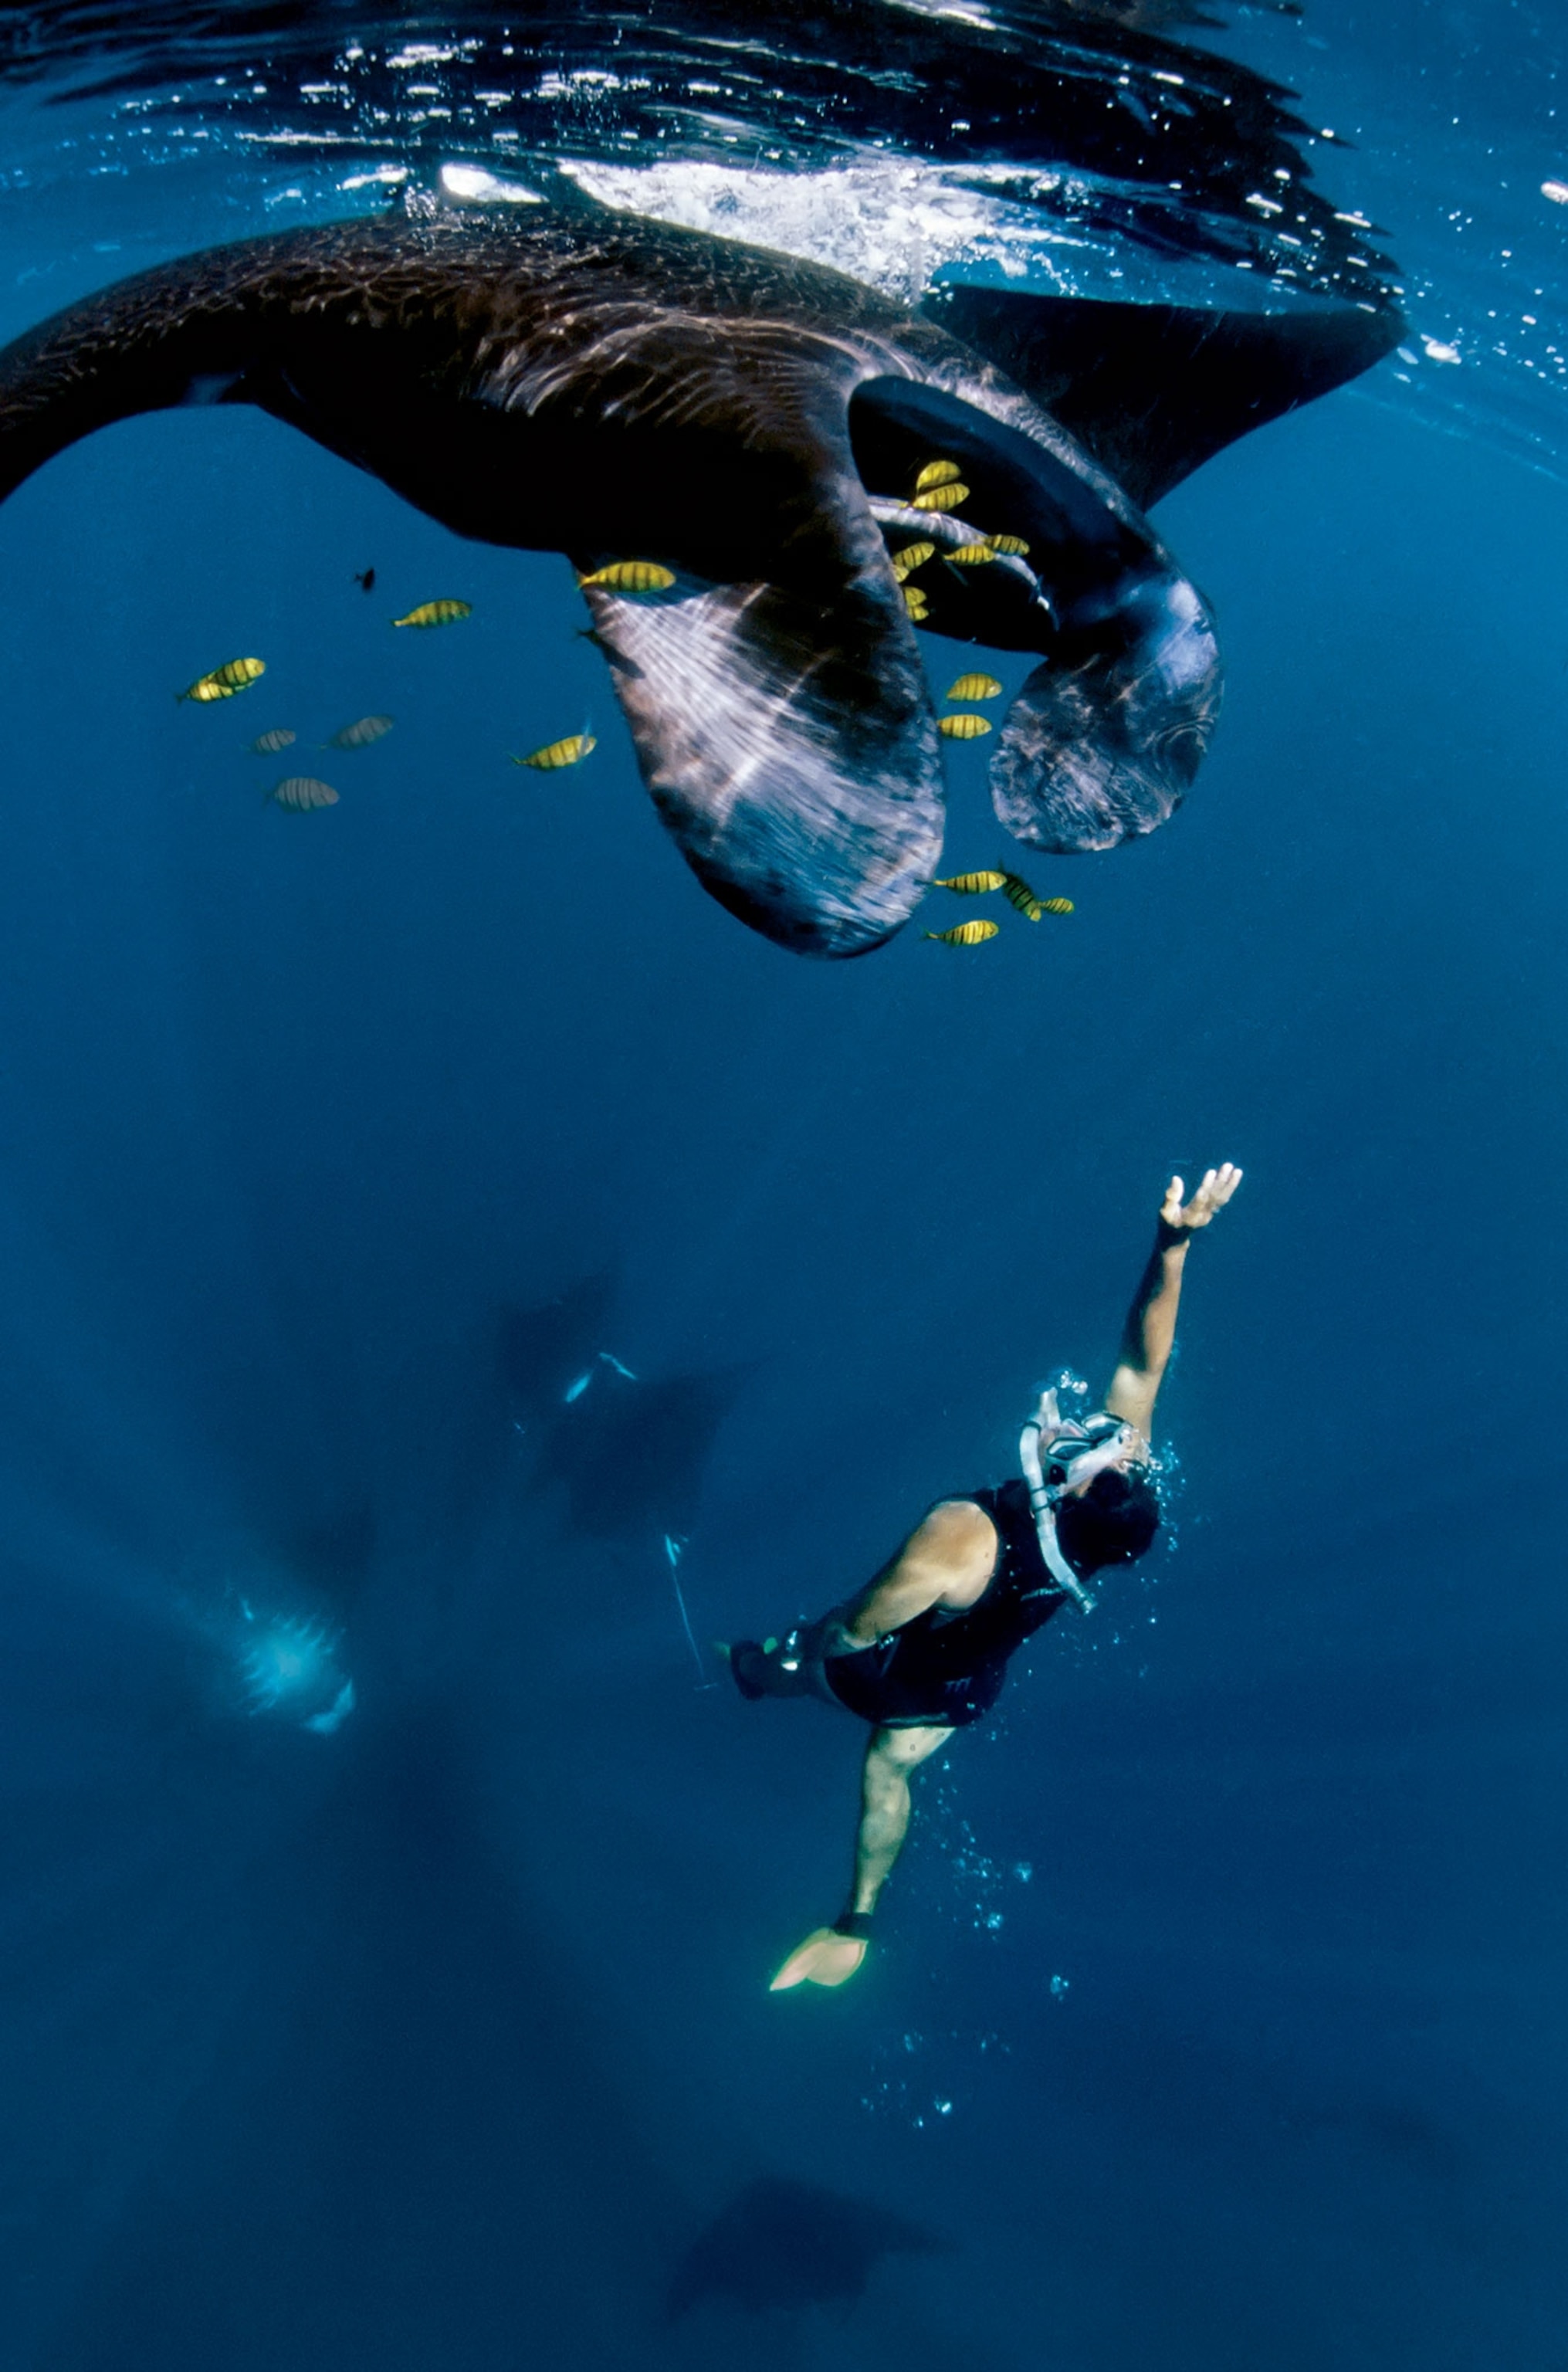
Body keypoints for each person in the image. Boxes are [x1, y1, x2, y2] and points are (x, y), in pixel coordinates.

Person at [723, 1165, 1242, 1991]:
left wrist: (806, 1655)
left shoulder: (960, 1536)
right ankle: (854, 1927)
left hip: (886, 1674)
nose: (1104, 1438)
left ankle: (750, 1676)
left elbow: (855, 1631)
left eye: (1095, 1457)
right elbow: (1145, 1365)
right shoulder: (1095, 1531)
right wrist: (1173, 1247)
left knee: (803, 1663)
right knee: (889, 1769)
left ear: (1067, 1495)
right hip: (972, 1686)